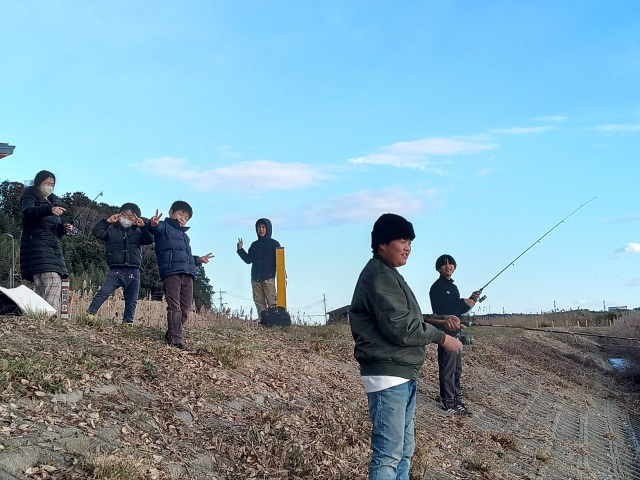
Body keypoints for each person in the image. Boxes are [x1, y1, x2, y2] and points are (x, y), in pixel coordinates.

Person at [349, 213, 463, 480]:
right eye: (401, 240)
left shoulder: (388, 274)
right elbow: (401, 328)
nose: (407, 246)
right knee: (388, 455)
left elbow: (404, 318)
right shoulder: (380, 276)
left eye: (409, 241)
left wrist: (439, 321)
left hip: (401, 373)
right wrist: (442, 338)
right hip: (388, 376)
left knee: (404, 451)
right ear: (382, 244)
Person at [148, 201, 212, 349]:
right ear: (171, 212)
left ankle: (171, 332)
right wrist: (153, 223)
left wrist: (198, 260)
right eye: (181, 214)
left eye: (186, 217)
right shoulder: (164, 227)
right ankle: (175, 340)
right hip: (171, 272)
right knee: (174, 306)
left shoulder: (185, 237)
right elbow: (153, 229)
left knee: (186, 308)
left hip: (188, 273)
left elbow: (186, 255)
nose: (183, 218)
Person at [426, 254, 480, 416]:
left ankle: (458, 401)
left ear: (454, 267)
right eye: (444, 264)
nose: (447, 266)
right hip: (445, 334)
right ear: (438, 268)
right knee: (447, 369)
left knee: (457, 369)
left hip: (456, 333)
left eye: (450, 264)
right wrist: (462, 302)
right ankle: (448, 403)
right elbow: (442, 309)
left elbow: (456, 310)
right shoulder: (437, 287)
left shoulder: (453, 287)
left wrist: (470, 301)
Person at [86, 203, 154, 324]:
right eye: (124, 214)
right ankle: (89, 314)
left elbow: (149, 239)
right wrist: (107, 221)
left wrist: (144, 227)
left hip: (134, 270)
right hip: (116, 269)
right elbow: (96, 232)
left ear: (136, 219)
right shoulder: (111, 229)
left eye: (131, 216)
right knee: (103, 292)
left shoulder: (139, 232)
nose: (127, 218)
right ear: (118, 214)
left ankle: (128, 323)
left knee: (131, 300)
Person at [20, 170, 73, 311]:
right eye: (47, 183)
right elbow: (27, 212)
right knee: (53, 282)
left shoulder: (55, 202)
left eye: (52, 184)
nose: (50, 186)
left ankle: (38, 319)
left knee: (45, 289)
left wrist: (63, 228)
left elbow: (51, 230)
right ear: (38, 184)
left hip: (52, 250)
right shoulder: (30, 196)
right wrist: (49, 209)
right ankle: (47, 317)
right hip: (36, 248)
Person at [236, 218, 281, 317]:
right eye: (259, 227)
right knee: (259, 304)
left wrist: (283, 277)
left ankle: (274, 322)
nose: (261, 229)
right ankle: (263, 321)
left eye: (263, 227)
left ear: (268, 229)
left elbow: (280, 262)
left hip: (269, 279)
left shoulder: (275, 244)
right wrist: (240, 250)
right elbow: (248, 260)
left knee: (272, 302)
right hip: (255, 278)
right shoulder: (254, 245)